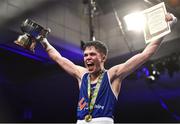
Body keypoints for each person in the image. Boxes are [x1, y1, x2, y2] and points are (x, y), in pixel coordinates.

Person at [39, 13, 177, 124]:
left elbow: (146, 53)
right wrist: (43, 41)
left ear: (103, 58)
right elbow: (58, 58)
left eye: (92, 54)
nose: (88, 58)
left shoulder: (113, 74)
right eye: (86, 55)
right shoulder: (81, 74)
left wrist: (168, 25)